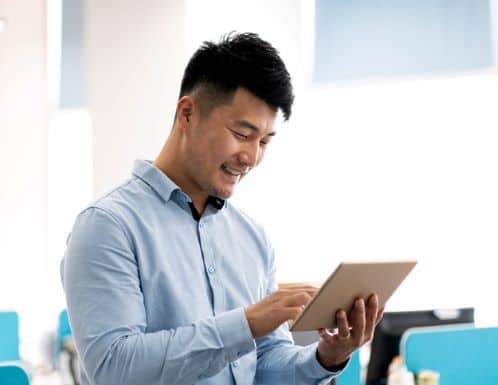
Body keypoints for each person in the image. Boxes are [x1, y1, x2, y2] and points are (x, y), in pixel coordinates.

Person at [61, 32, 383, 385]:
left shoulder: (252, 237)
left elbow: (262, 364)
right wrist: (245, 324)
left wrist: (325, 358)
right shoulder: (107, 226)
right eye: (242, 135)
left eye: (264, 141)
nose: (252, 158)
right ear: (187, 113)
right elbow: (113, 369)